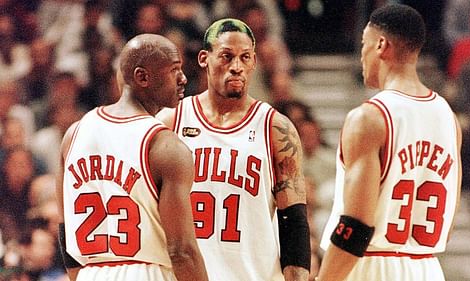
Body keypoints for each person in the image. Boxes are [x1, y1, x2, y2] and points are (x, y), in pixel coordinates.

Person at [157, 18, 311, 281]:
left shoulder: (275, 127)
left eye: (245, 57)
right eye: (227, 57)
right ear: (204, 58)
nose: (236, 67)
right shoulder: (171, 121)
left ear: (254, 62)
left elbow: (294, 222)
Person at [316, 4, 462, 281]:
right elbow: (449, 220)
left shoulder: (369, 118)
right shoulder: (449, 119)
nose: (362, 54)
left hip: (372, 267)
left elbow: (355, 228)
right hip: (427, 267)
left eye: (364, 44)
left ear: (381, 45)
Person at [56, 33, 209, 281]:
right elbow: (182, 252)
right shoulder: (164, 145)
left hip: (90, 274)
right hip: (147, 272)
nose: (183, 78)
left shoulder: (73, 135)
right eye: (174, 70)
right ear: (142, 77)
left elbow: (65, 233)